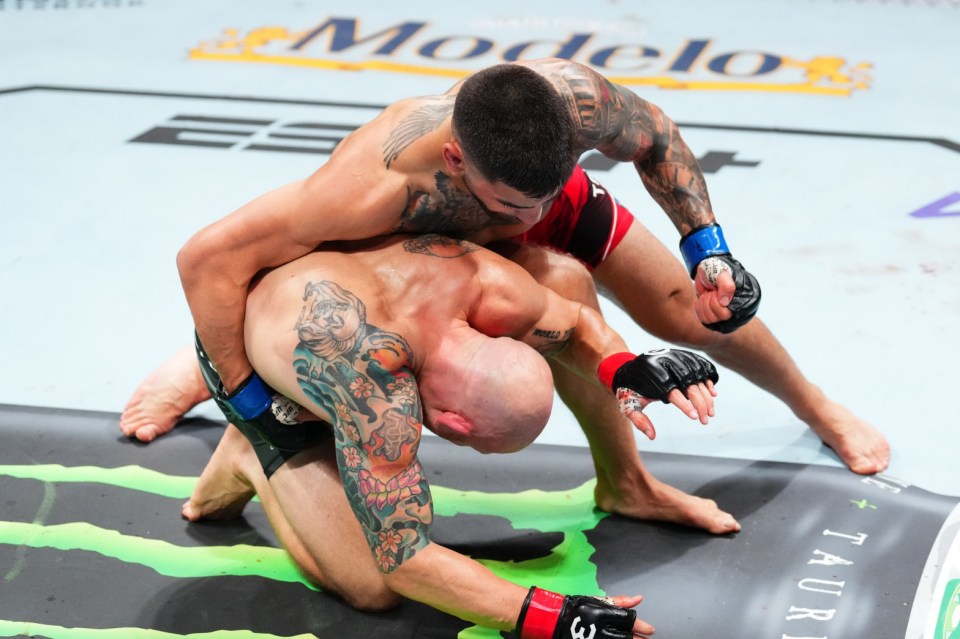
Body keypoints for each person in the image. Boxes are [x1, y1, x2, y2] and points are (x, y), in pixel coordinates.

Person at [121, 57, 888, 535]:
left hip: (517, 195)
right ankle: (202, 368)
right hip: (403, 247)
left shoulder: (567, 107)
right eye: (514, 204)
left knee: (690, 308)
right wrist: (246, 397)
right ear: (456, 156)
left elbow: (656, 136)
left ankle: (811, 407)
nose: (530, 222)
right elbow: (210, 259)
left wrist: (708, 246)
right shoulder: (366, 190)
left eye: (540, 199)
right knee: (533, 293)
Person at [180, 233, 720, 638]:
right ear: (458, 427)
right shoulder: (377, 395)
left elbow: (575, 322)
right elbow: (406, 559)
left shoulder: (490, 288)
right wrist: (554, 618)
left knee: (562, 274)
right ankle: (255, 449)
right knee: (371, 587)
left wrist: (623, 368)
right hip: (247, 370)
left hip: (313, 294)